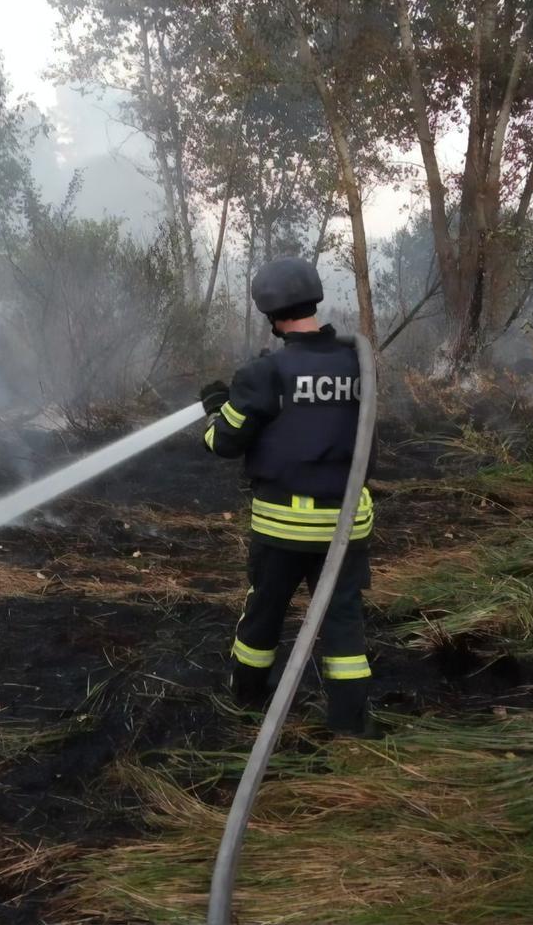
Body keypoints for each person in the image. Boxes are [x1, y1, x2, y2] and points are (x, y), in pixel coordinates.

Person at [199, 256, 375, 736]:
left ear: (270, 313)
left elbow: (223, 443)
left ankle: (247, 699)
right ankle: (351, 725)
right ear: (314, 298)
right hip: (346, 524)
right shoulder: (357, 362)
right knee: (343, 623)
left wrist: (216, 411)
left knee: (264, 615)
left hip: (282, 526)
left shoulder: (266, 373)